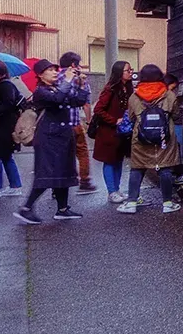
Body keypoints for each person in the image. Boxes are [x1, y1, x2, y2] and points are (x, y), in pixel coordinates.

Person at [13, 59, 90, 225]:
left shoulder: (57, 88)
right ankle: (26, 208)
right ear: (40, 75)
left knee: (63, 171)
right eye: (50, 70)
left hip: (63, 136)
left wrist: (81, 85)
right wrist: (68, 80)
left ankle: (62, 209)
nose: (55, 72)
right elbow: (57, 99)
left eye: (56, 69)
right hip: (48, 138)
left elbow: (77, 101)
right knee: (48, 173)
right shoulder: (40, 91)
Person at [117, 64, 182, 215]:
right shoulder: (169, 95)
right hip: (164, 137)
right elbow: (176, 115)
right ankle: (167, 203)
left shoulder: (134, 96)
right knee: (165, 167)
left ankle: (131, 203)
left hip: (141, 137)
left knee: (137, 168)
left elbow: (131, 117)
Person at [92, 60, 134, 203]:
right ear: (119, 72)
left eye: (131, 70)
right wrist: (114, 120)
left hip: (122, 132)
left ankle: (117, 189)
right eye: (128, 70)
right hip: (108, 132)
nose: (131, 73)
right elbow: (98, 109)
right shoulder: (110, 89)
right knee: (109, 161)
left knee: (119, 160)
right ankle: (111, 192)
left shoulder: (128, 88)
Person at [58, 52, 97, 195]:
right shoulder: (80, 79)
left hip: (58, 125)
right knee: (82, 152)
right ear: (74, 64)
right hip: (74, 123)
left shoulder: (55, 77)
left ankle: (58, 185)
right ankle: (85, 181)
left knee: (61, 154)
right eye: (78, 64)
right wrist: (89, 121)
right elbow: (86, 104)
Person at [0, 58, 23, 199]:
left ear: (0, 71)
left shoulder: (5, 85)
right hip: (3, 125)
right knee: (6, 156)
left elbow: (9, 103)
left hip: (4, 126)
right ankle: (15, 186)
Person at [163, 73, 183, 188]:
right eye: (173, 87)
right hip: (166, 128)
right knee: (174, 149)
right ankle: (179, 175)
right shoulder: (168, 95)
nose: (173, 90)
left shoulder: (152, 94)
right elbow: (175, 114)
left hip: (154, 131)